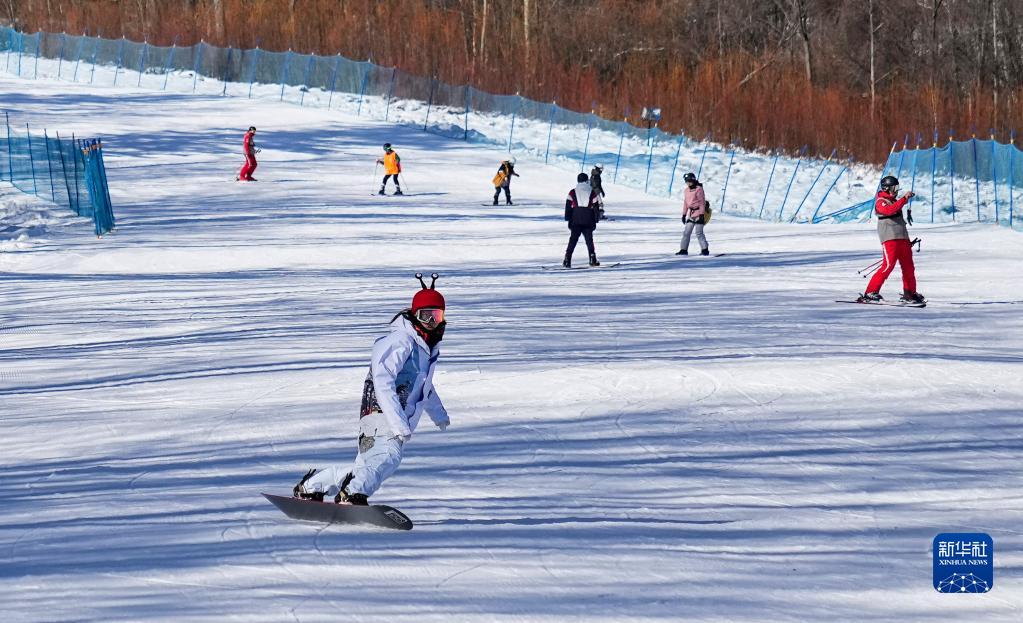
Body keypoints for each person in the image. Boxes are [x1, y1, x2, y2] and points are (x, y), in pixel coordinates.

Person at [294, 274, 450, 505]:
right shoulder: (401, 341)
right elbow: (382, 378)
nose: (430, 323)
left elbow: (424, 386)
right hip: (383, 415)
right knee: (388, 456)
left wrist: (439, 415)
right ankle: (353, 493)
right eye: (424, 316)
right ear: (413, 314)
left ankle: (312, 486)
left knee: (367, 466)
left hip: (383, 418)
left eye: (435, 316)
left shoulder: (423, 348)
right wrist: (398, 423)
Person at [858, 176, 924, 303]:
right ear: (887, 188)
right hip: (890, 239)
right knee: (888, 266)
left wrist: (906, 240)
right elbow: (889, 211)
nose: (896, 191)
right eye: (894, 188)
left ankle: (910, 293)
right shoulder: (881, 201)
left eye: (897, 188)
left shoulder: (895, 201)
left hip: (902, 239)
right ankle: (870, 292)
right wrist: (904, 199)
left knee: (909, 267)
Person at [562, 172, 601, 268]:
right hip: (588, 218)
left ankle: (567, 259)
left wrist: (568, 219)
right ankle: (592, 259)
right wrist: (596, 219)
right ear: (586, 180)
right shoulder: (592, 192)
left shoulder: (572, 192)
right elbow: (596, 207)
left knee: (573, 240)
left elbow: (568, 207)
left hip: (576, 218)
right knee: (589, 240)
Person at [676, 172, 709, 256]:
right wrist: (684, 214)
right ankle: (683, 249)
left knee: (699, 233)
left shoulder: (699, 189)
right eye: (686, 181)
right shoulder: (686, 190)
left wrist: (702, 215)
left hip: (699, 213)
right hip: (691, 214)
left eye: (689, 181)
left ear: (693, 180)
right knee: (686, 232)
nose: (688, 183)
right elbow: (686, 203)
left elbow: (702, 203)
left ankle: (705, 249)